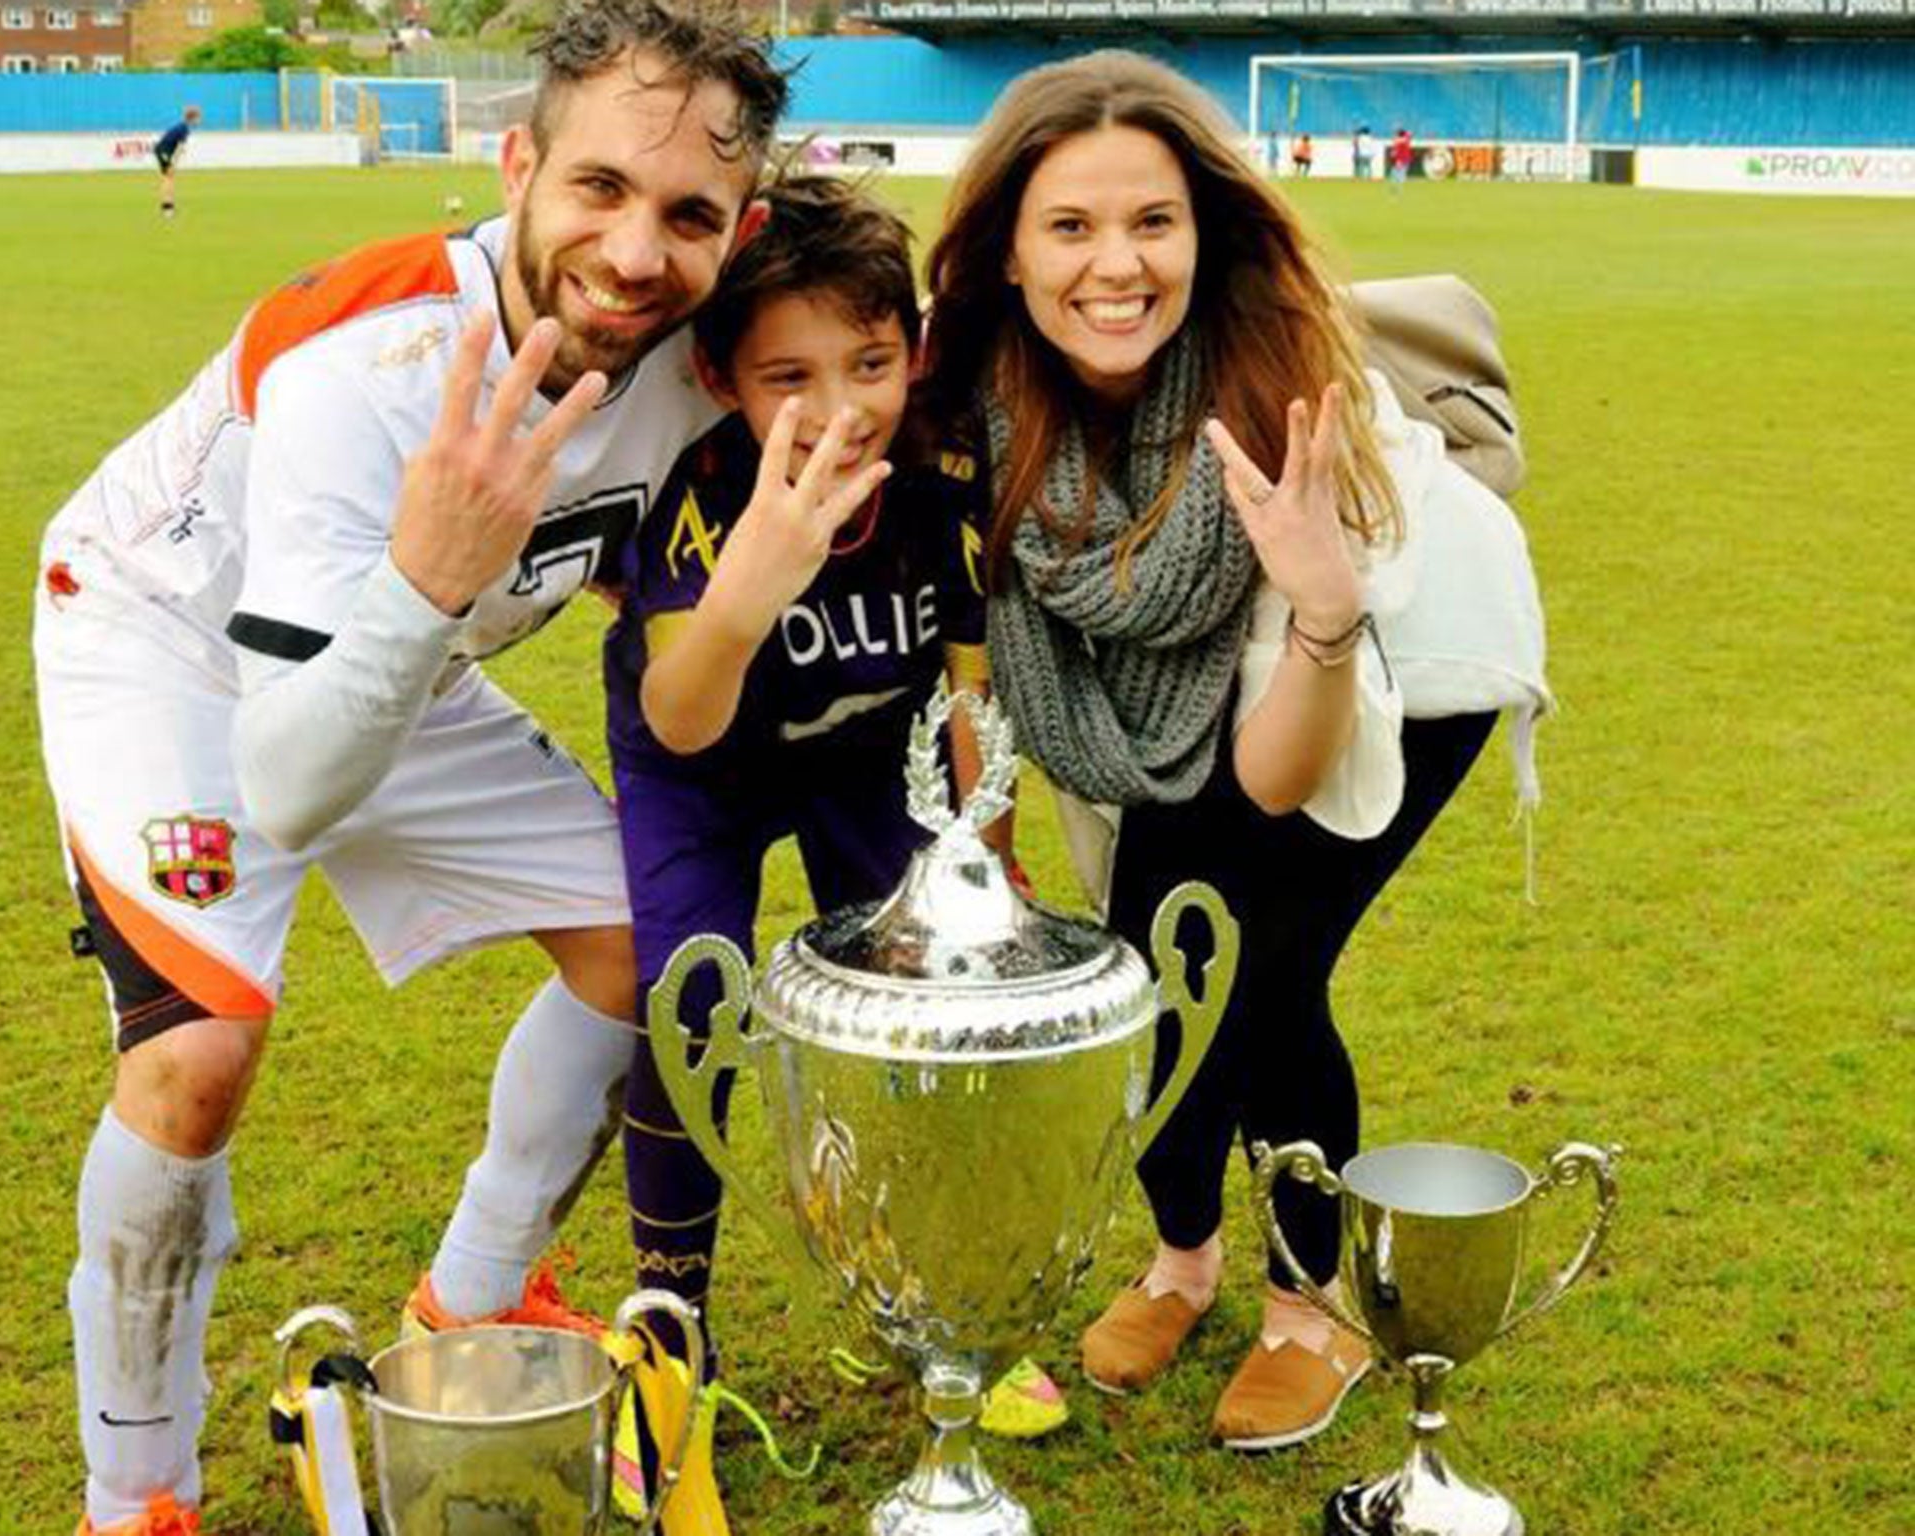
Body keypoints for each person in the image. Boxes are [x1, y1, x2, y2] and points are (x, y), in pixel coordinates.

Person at [31, 5, 788, 1532]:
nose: (637, 252)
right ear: (517, 165)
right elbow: (292, 778)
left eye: (689, 214)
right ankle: (139, 1496)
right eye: (597, 190)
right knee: (197, 1054)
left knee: (641, 944)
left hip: (399, 652)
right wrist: (433, 583)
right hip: (169, 648)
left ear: (741, 228)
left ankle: (473, 1305)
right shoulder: (366, 365)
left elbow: (914, 332)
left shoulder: (704, 345)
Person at [920, 51, 1548, 1451]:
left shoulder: (1294, 400)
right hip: (1201, 677)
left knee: (1261, 972)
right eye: (1070, 227)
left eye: (1152, 221)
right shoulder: (979, 395)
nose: (1117, 265)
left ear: (1203, 227)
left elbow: (1274, 776)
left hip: (1396, 645)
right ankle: (1185, 1260)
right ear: (1006, 253)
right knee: (1148, 964)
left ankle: (1311, 1299)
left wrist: (1323, 605)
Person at [601, 175, 1063, 1518]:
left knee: (928, 1004)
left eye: (871, 361)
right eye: (788, 374)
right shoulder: (699, 492)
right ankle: (668, 1340)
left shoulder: (941, 468)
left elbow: (969, 687)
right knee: (687, 994)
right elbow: (682, 721)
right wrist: (756, 576)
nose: (843, 403)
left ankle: (928, 1309)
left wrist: (993, 865)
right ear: (719, 377)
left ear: (911, 349)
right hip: (706, 771)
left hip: (873, 757)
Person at [153, 105, 200, 218]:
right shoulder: (184, 128)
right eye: (198, 118)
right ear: (192, 118)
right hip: (163, 151)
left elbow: (179, 147)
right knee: (169, 177)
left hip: (163, 151)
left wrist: (174, 162)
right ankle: (167, 209)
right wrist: (174, 163)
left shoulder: (183, 127)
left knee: (168, 178)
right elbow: (179, 148)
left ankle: (168, 206)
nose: (199, 121)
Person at [1389, 123, 1414, 187]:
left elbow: (1394, 151)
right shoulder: (1406, 139)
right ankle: (1399, 183)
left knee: (1396, 171)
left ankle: (1396, 183)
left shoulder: (1397, 140)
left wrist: (1392, 154)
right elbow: (1410, 133)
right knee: (1402, 172)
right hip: (1407, 158)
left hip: (1400, 159)